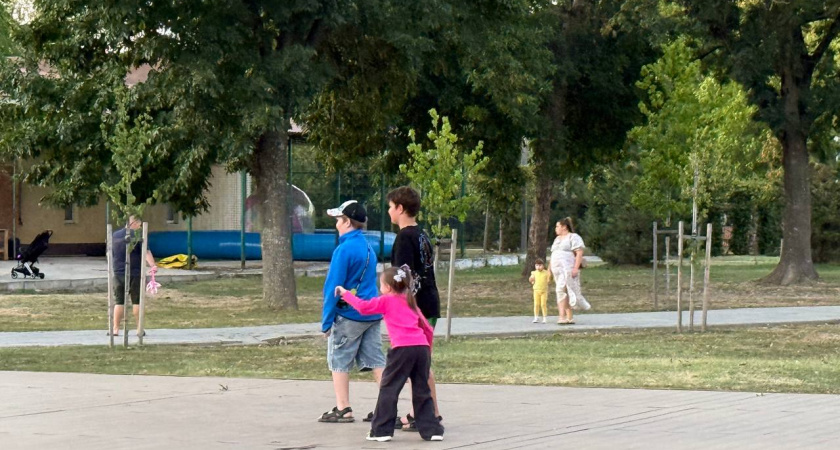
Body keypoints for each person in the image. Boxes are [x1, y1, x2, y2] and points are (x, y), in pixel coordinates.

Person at [336, 265, 445, 442]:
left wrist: (345, 294)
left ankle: (381, 431)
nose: (380, 288)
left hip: (402, 349)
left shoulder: (386, 300)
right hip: (421, 348)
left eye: (381, 285)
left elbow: (364, 308)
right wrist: (427, 350)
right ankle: (432, 430)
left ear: (387, 287)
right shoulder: (410, 301)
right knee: (421, 388)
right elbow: (427, 327)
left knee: (389, 388)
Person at [318, 200, 386, 423]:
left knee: (339, 360)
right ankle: (387, 405)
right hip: (372, 312)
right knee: (376, 360)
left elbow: (333, 287)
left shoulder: (344, 249)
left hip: (349, 315)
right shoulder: (367, 247)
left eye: (338, 220)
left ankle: (343, 407)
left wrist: (327, 321)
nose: (336, 224)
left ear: (347, 221)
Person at [386, 186, 442, 429]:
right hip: (430, 302)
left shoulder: (404, 238)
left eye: (390, 206)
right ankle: (419, 412)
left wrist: (397, 307)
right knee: (421, 361)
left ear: (400, 208)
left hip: (416, 307)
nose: (389, 211)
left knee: (418, 362)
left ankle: (430, 414)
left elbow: (402, 278)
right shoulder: (422, 234)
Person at [110, 216, 157, 337]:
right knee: (137, 301)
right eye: (139, 225)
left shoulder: (114, 235)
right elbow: (146, 252)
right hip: (135, 273)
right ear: (134, 223)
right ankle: (139, 329)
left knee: (119, 301)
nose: (140, 227)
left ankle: (115, 329)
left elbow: (111, 252)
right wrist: (152, 265)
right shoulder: (138, 236)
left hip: (118, 272)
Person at [549, 217, 590, 324]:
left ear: (564, 227)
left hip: (567, 269)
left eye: (557, 226)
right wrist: (549, 270)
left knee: (561, 290)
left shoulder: (573, 237)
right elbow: (553, 254)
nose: (556, 228)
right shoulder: (557, 240)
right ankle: (569, 317)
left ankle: (562, 316)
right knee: (563, 291)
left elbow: (579, 253)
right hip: (557, 270)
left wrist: (575, 268)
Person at [529, 258, 551, 323]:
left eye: (540, 265)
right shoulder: (534, 273)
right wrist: (531, 279)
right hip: (536, 291)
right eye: (537, 265)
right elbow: (531, 279)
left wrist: (549, 279)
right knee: (536, 304)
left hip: (544, 291)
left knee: (543, 304)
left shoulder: (546, 273)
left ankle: (544, 317)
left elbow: (549, 280)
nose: (538, 267)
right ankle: (536, 317)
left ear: (543, 265)